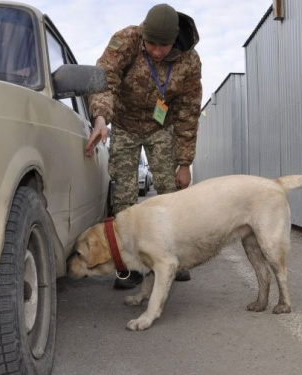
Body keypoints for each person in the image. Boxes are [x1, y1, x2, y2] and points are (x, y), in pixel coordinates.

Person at [85, 3, 202, 289]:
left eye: (163, 46)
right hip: (123, 124)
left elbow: (188, 112)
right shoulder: (126, 40)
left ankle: (176, 259)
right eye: (151, 43)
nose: (156, 51)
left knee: (171, 193)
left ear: (174, 41)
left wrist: (184, 163)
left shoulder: (189, 61)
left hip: (161, 127)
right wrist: (101, 118)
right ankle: (130, 264)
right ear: (143, 35)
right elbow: (105, 79)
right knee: (124, 196)